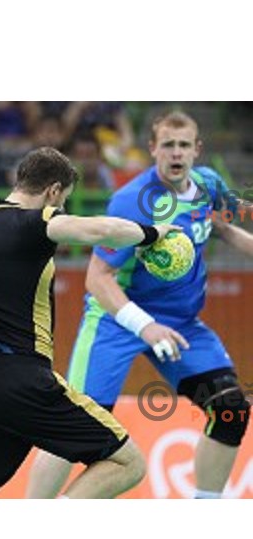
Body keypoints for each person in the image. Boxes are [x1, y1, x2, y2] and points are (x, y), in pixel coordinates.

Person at [0, 146, 178, 499]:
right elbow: (103, 230)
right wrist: (154, 233)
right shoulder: (34, 222)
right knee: (128, 463)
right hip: (23, 379)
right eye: (63, 200)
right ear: (53, 191)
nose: (62, 208)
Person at [27, 111, 251, 500]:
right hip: (118, 318)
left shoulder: (209, 184)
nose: (176, 153)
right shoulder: (132, 201)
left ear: (197, 149)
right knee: (72, 425)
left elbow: (221, 226)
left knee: (230, 409)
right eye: (168, 144)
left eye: (184, 145)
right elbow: (97, 279)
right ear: (152, 149)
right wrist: (144, 325)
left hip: (181, 322)